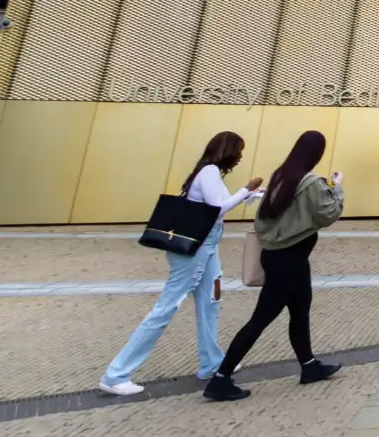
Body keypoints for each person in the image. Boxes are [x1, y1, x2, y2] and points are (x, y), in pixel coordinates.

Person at [100, 132, 261, 396]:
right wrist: (246, 190)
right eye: (239, 151)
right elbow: (218, 208)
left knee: (211, 302)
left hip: (207, 248)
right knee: (166, 307)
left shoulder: (211, 173)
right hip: (194, 250)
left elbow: (217, 204)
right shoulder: (209, 171)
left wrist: (248, 194)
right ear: (228, 150)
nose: (241, 157)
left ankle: (211, 362)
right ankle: (116, 374)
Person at [204, 131, 343, 401]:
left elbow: (264, 219)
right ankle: (220, 378)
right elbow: (329, 214)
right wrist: (337, 186)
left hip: (283, 256)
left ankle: (309, 366)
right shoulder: (311, 181)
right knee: (261, 318)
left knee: (300, 310)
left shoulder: (282, 175)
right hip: (289, 259)